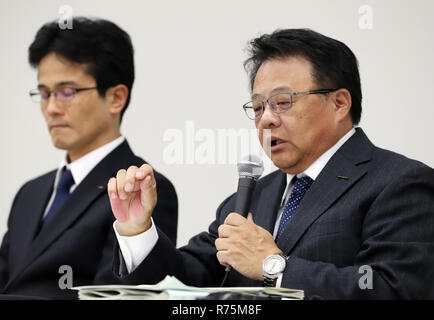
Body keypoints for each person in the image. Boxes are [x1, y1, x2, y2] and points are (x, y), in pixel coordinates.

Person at [108, 29, 434, 299]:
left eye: (282, 103)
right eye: (257, 107)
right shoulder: (257, 193)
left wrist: (272, 266)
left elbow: (398, 289)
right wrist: (138, 230)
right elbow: (187, 277)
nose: (265, 120)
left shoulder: (400, 182)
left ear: (339, 103)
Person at [0, 17, 178, 300]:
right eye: (44, 94)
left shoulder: (141, 190)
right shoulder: (29, 194)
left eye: (66, 92)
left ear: (116, 98)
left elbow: (121, 294)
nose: (52, 108)